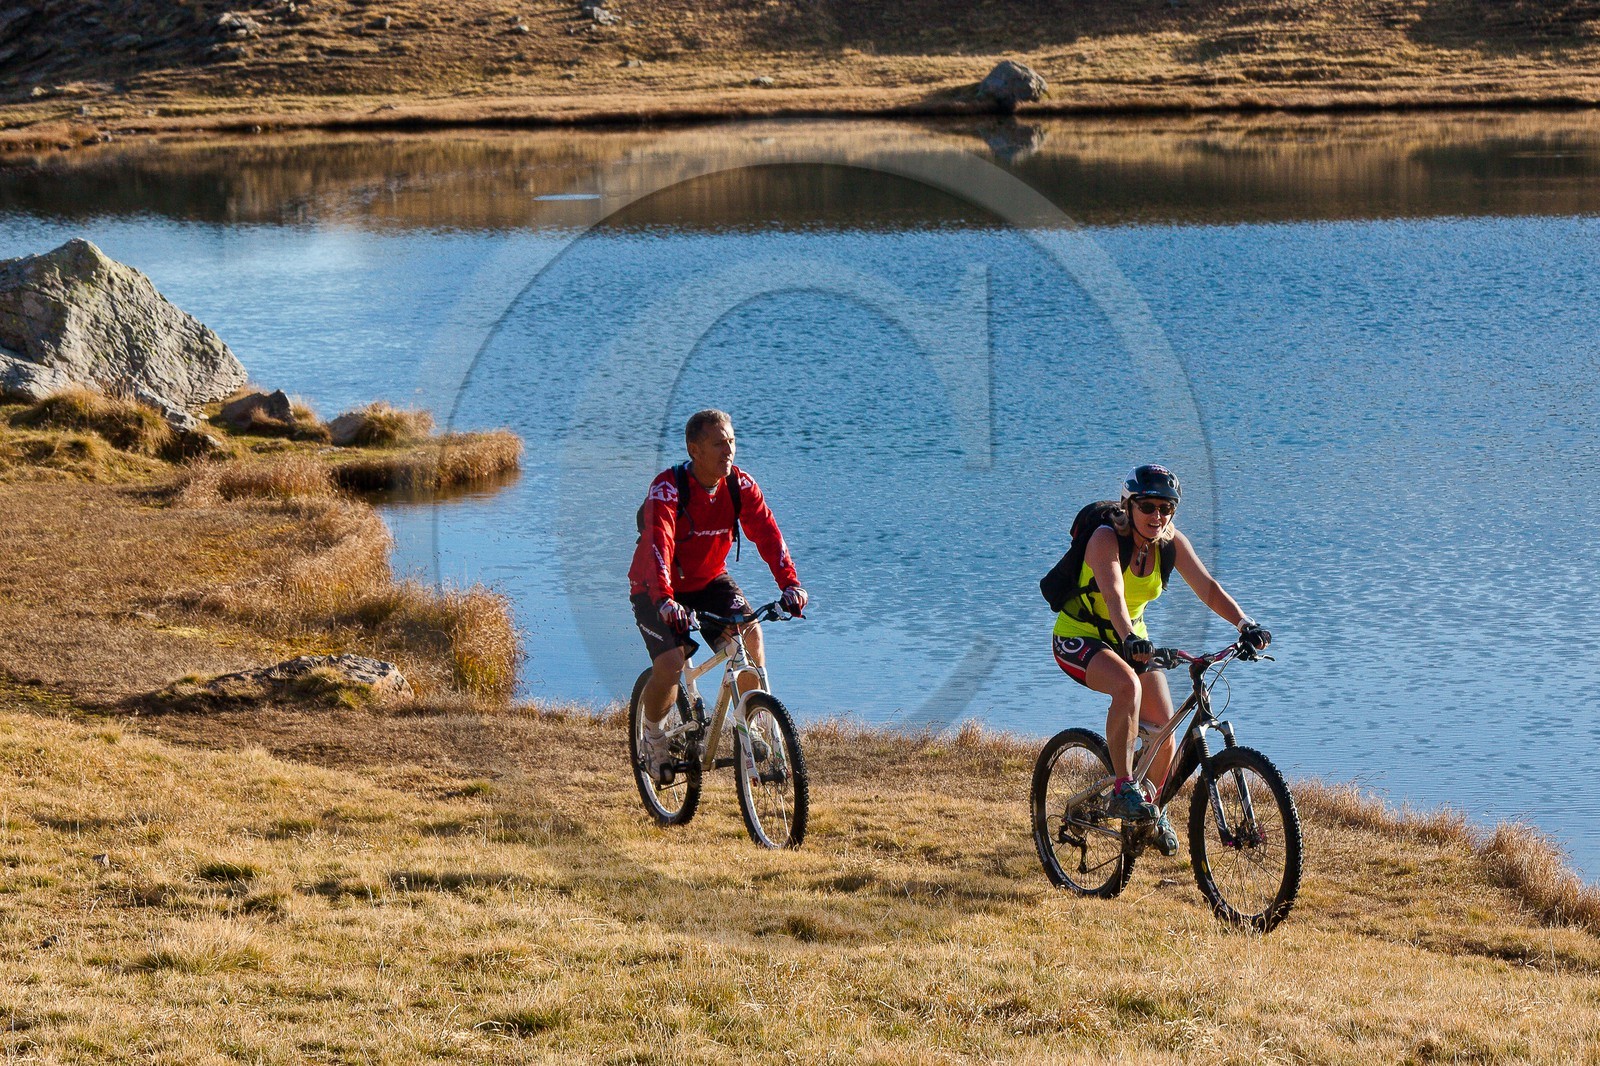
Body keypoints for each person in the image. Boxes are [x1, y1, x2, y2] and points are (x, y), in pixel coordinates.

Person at [1051, 464, 1271, 856]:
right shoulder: (1105, 539)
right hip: (1080, 634)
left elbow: (1208, 586)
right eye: (1149, 507)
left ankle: (1151, 811)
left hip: (1133, 638)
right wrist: (1130, 639)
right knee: (1126, 686)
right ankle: (1122, 788)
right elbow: (1115, 595)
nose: (1158, 516)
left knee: (1164, 736)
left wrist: (1244, 623)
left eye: (1166, 509)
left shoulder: (1169, 543)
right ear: (1128, 506)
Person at [628, 409, 808, 781]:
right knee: (671, 664)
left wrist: (790, 584)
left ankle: (752, 725)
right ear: (695, 449)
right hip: (654, 586)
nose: (728, 451)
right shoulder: (668, 488)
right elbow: (659, 546)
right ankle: (654, 734)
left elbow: (768, 534)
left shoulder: (739, 486)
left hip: (709, 581)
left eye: (731, 442)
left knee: (750, 634)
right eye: (718, 444)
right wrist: (664, 600)